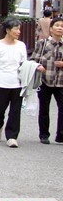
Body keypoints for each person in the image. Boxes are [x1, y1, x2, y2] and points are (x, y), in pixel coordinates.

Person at [0, 17, 27, 148]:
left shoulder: (21, 45)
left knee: (15, 111)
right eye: (16, 29)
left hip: (17, 83)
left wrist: (26, 82)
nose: (19, 31)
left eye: (19, 29)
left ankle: (12, 137)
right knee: (0, 110)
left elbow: (24, 65)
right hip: (1, 82)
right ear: (8, 30)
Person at [29, 15, 63, 144]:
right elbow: (33, 60)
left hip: (60, 82)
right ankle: (44, 134)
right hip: (44, 81)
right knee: (44, 109)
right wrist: (38, 66)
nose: (60, 28)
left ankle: (60, 135)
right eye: (57, 26)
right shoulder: (42, 44)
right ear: (51, 29)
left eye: (62, 26)